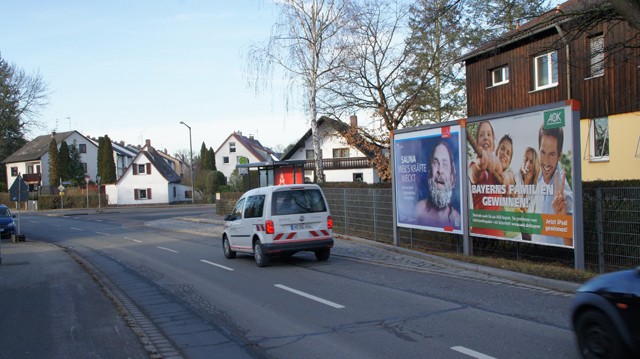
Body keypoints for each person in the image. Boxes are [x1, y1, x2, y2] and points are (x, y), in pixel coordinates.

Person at [530, 126, 574, 246]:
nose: (546, 162)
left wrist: (562, 219)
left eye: (552, 154)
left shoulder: (563, 192)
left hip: (555, 257)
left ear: (559, 155)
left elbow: (572, 244)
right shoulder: (537, 178)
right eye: (543, 153)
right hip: (536, 255)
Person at [415, 140, 461, 229]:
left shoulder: (457, 219)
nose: (440, 170)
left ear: (452, 177)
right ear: (430, 172)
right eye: (435, 163)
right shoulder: (417, 211)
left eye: (445, 164)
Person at [514, 147, 540, 240]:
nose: (528, 164)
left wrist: (524, 210)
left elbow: (530, 217)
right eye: (526, 160)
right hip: (513, 225)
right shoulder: (517, 176)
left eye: (531, 161)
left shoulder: (537, 188)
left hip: (527, 230)